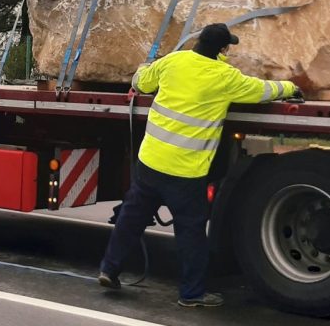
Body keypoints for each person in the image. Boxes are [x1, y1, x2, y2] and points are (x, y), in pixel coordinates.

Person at [98, 23, 298, 308]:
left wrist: (144, 68)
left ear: (198, 41)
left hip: (151, 163)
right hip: (186, 173)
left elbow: (141, 82)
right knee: (191, 235)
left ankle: (109, 269)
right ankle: (191, 294)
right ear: (223, 49)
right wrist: (291, 86)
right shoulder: (225, 77)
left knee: (131, 218)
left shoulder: (174, 61)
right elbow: (262, 90)